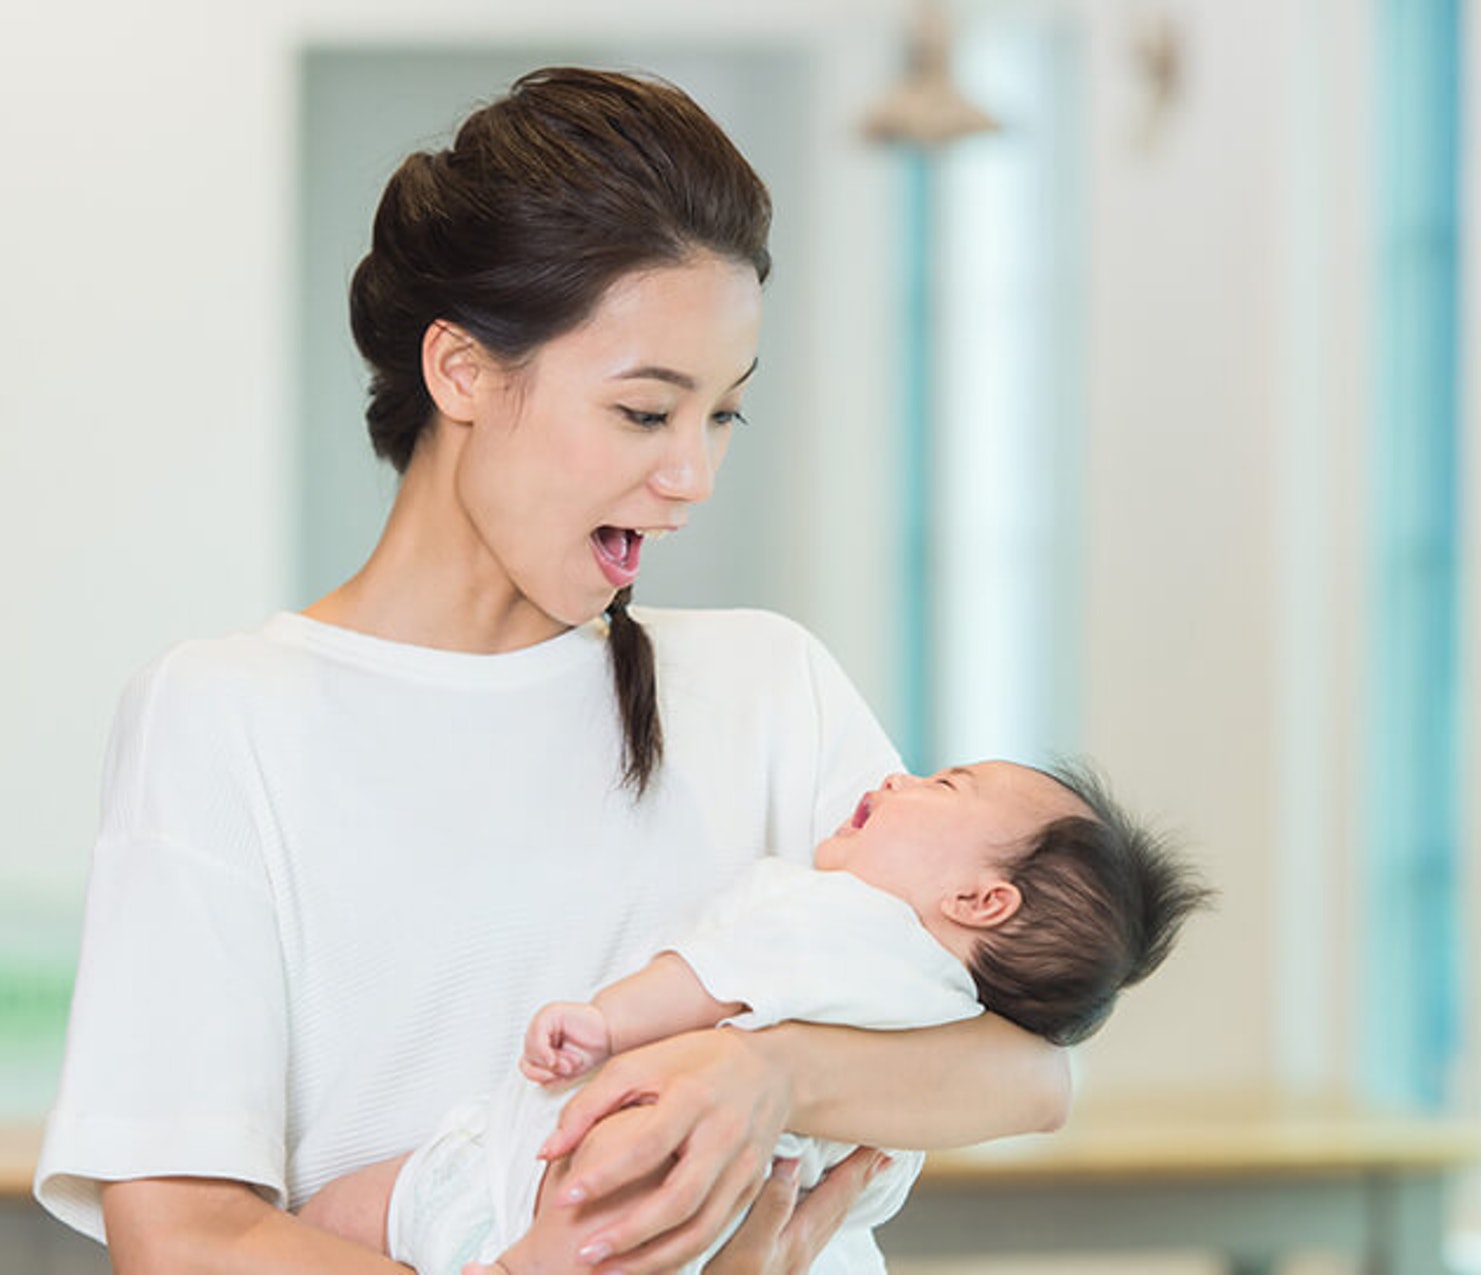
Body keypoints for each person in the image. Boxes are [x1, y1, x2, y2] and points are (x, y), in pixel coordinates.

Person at [34, 67, 1073, 1275]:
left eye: (723, 416)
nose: (694, 476)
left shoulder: (767, 686)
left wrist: (762, 1073)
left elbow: (1029, 1071)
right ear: (462, 371)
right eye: (646, 413)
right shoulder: (224, 718)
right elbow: (179, 1237)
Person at [297, 760, 1211, 1275]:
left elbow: (712, 975)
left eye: (944, 782)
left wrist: (604, 1020)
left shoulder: (849, 921)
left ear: (979, 897)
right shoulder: (941, 1013)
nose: (895, 775)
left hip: (557, 1190)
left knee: (342, 1212)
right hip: (742, 1239)